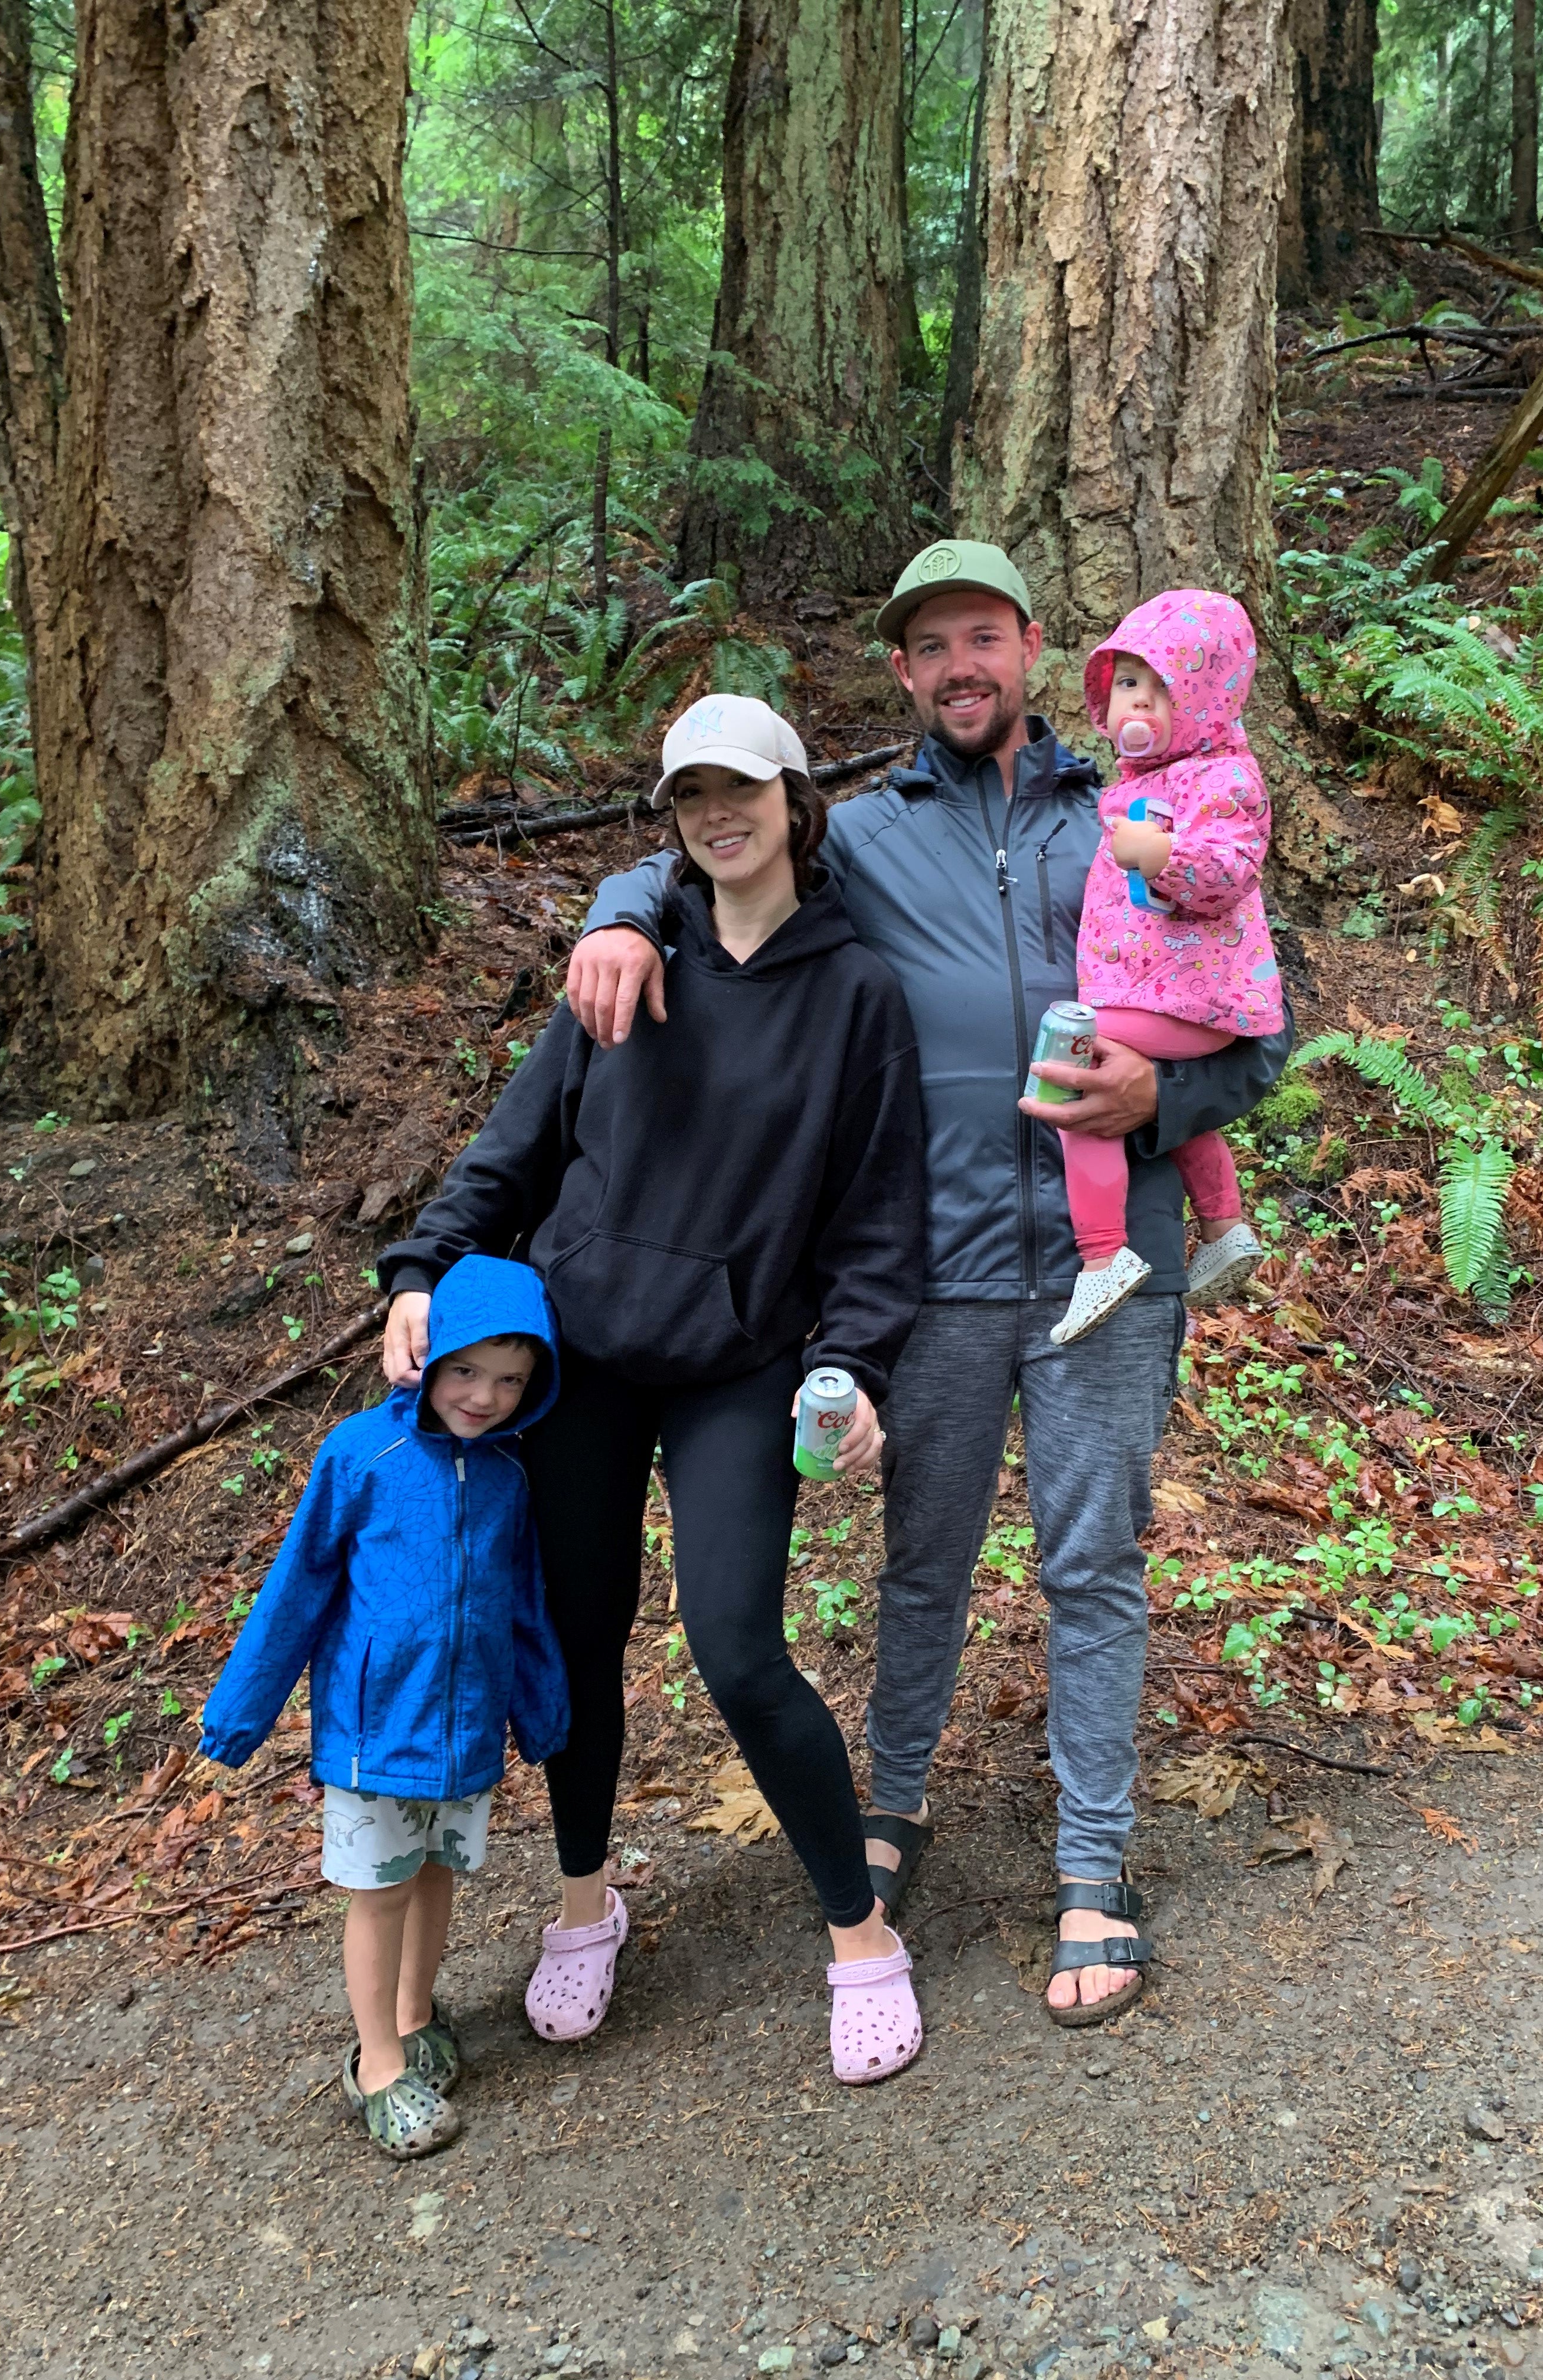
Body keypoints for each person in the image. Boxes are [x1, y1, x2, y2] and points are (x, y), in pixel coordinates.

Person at [568, 542, 1294, 2028]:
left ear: (1032, 648)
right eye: (930, 648)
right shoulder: (874, 839)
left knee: (1092, 1565)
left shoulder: (1141, 812)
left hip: (1114, 1264)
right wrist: (621, 910)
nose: (962, 666)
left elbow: (1256, 1027)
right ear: (902, 675)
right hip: (946, 1265)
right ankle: (890, 1805)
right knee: (924, 1561)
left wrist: (1161, 1110)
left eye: (985, 637)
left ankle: (1094, 1870)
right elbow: (721, 852)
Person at [378, 694, 929, 2087]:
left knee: (738, 1648)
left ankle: (859, 1932)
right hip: (592, 1351)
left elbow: (877, 1220)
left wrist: (852, 1361)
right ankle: (584, 1903)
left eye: (739, 789)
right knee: (578, 1629)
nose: (715, 816)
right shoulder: (626, 962)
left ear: (798, 803)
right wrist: (426, 1269)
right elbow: (516, 1146)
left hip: (742, 1363)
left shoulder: (856, 993)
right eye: (689, 797)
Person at [200, 1254, 569, 2157]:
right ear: (429, 1355)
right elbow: (299, 1587)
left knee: (436, 1873)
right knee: (381, 1890)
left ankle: (411, 2017)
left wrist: (541, 1707)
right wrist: (242, 1711)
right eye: (467, 1370)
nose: (484, 1396)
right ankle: (376, 2066)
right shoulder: (361, 1455)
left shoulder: (509, 1478)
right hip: (377, 1732)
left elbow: (522, 1603)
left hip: (466, 1728)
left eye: (512, 1380)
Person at [1048, 589, 1279, 1348]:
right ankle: (1223, 1226)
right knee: (1147, 1092)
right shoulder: (1139, 782)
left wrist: (1162, 857)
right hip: (1160, 989)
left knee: (1073, 1061)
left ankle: (1103, 1255)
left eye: (1157, 688)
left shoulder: (1222, 777)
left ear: (1205, 699)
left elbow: (1228, 869)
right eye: (1124, 685)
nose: (1133, 704)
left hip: (1189, 993)